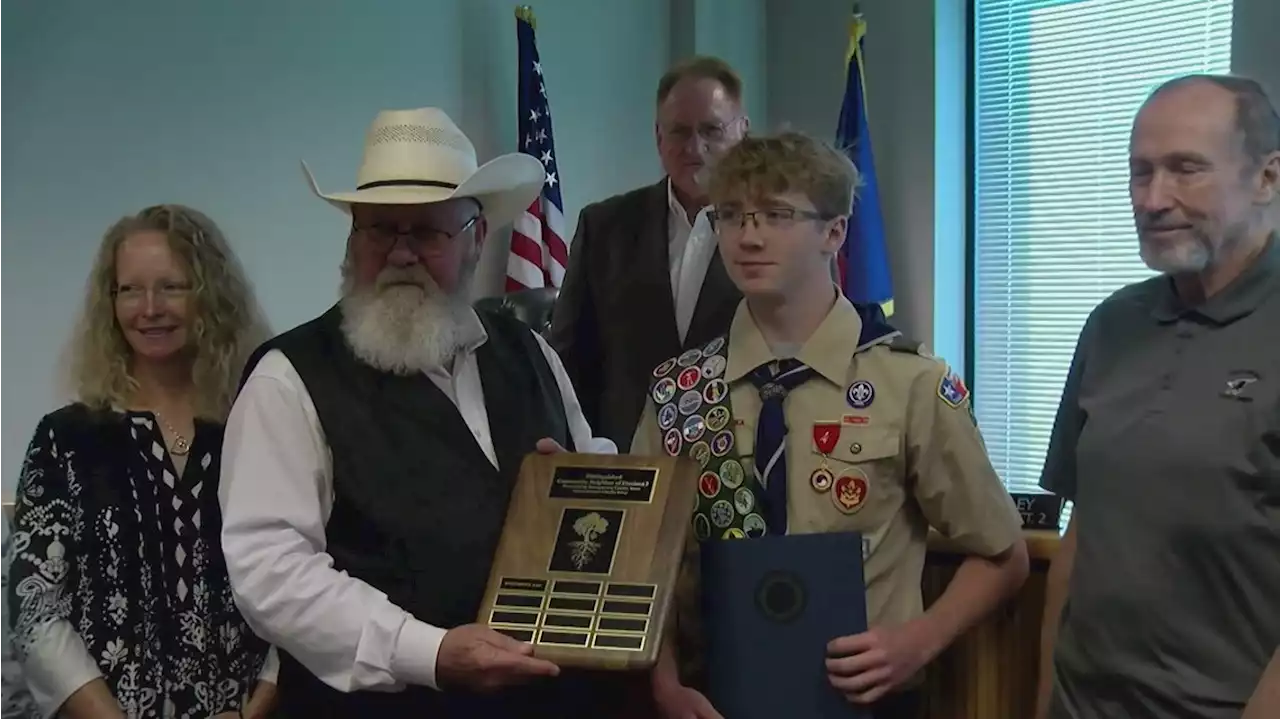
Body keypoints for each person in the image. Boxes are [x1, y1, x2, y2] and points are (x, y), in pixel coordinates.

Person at [217, 107, 636, 718]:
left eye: (428, 233)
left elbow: (593, 473)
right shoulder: (288, 378)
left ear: (476, 238)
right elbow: (271, 572)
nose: (401, 254)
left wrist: (584, 489)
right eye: (379, 230)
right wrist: (429, 653)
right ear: (351, 238)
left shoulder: (531, 352)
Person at [631, 131, 1030, 719]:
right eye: (732, 215)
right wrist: (664, 685)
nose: (749, 235)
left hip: (863, 697)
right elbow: (642, 559)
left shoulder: (909, 383)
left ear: (834, 232)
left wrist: (917, 641)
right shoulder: (681, 390)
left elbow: (1003, 554)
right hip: (714, 695)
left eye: (777, 214)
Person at [1034, 74, 1280, 719]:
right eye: (1139, 172)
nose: (1153, 197)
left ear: (1267, 178)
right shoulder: (1112, 324)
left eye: (1186, 169)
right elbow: (1084, 535)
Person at [7, 205, 278, 719]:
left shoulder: (261, 426)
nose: (149, 308)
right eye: (129, 290)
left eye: (172, 287)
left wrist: (257, 709)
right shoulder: (66, 439)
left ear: (210, 295)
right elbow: (36, 608)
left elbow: (304, 577)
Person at [550, 55, 749, 450]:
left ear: (743, 132)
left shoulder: (775, 230)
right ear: (659, 137)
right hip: (626, 469)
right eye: (679, 131)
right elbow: (570, 363)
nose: (695, 147)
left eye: (712, 129)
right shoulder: (604, 226)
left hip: (739, 468)